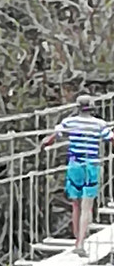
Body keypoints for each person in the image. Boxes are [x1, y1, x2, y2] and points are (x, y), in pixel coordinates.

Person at [40, 94, 113, 257]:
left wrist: (42, 145)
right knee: (87, 207)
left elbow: (50, 139)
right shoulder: (100, 124)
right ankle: (80, 243)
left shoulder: (69, 122)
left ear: (78, 108)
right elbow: (111, 138)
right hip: (92, 167)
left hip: (74, 167)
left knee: (76, 205)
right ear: (93, 108)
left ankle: (76, 239)